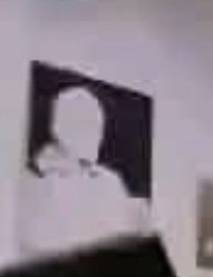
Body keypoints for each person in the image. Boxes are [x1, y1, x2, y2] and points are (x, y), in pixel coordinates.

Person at [17, 84, 151, 256]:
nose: (98, 135)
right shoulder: (36, 182)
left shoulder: (109, 180)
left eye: (99, 125)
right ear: (62, 127)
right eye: (88, 125)